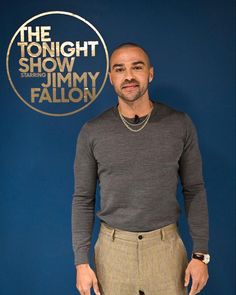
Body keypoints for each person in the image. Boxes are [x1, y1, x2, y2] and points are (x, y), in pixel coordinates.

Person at [72, 42, 210, 295]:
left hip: (166, 250)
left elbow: (195, 190)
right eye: (120, 69)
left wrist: (200, 255)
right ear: (110, 77)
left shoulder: (179, 124)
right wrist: (81, 262)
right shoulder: (93, 131)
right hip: (113, 253)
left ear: (150, 73)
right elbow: (83, 198)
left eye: (137, 67)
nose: (129, 76)